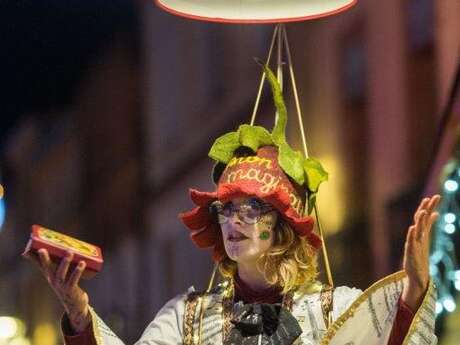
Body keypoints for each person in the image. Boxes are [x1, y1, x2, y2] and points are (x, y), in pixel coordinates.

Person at [28, 66, 439, 345]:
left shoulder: (335, 311)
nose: (233, 220)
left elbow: (394, 336)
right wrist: (79, 311)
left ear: (280, 224)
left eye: (251, 207)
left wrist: (417, 286)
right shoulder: (186, 319)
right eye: (226, 208)